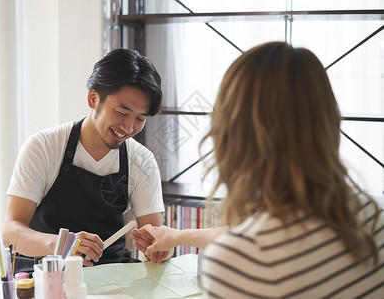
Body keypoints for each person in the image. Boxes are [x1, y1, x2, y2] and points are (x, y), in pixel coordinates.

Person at [131, 41, 384, 298]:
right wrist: (176, 236)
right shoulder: (374, 217)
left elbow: (256, 239)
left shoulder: (237, 263)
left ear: (232, 134)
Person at [2, 48, 171, 271]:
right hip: (45, 272)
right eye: (121, 113)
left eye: (140, 119)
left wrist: (158, 246)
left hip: (110, 275)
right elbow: (11, 232)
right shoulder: (43, 147)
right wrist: (63, 245)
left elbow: (156, 242)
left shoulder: (141, 161)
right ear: (93, 98)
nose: (129, 128)